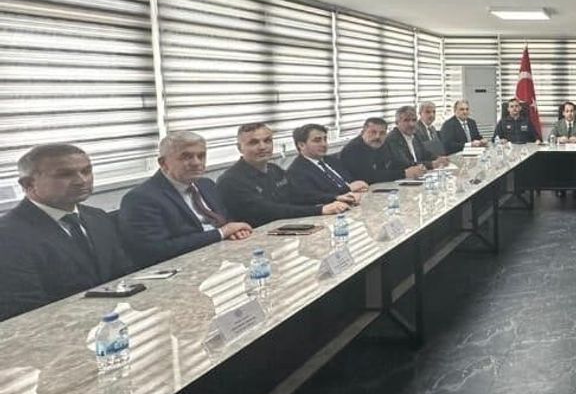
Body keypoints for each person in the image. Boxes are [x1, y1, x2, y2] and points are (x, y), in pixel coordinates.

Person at [0, 144, 135, 321]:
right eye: (65, 174)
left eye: (86, 171)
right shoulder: (8, 235)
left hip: (114, 320)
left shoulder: (97, 217)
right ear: (28, 184)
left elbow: (124, 274)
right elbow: (23, 309)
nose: (81, 180)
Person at [120, 131, 252, 268]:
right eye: (186, 157)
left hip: (222, 258)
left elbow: (225, 220)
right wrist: (221, 233)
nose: (196, 163)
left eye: (201, 156)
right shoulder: (140, 199)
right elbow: (155, 250)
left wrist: (235, 231)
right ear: (163, 163)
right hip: (182, 268)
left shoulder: (206, 185)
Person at [220, 123, 351, 227]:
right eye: (254, 142)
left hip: (286, 228)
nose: (263, 147)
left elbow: (299, 195)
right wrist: (320, 210)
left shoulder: (274, 170)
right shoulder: (231, 180)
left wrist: (335, 198)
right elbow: (270, 210)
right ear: (239, 148)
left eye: (267, 141)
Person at [286, 124, 370, 206]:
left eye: (325, 139)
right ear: (301, 145)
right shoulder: (296, 171)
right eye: (317, 140)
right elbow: (314, 198)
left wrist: (358, 187)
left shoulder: (332, 160)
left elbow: (350, 180)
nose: (324, 144)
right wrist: (348, 189)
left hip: (357, 199)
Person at [341, 117, 421, 184]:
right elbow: (369, 177)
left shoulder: (383, 144)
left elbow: (395, 162)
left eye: (382, 133)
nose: (377, 136)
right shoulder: (353, 149)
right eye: (373, 132)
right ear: (362, 132)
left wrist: (415, 167)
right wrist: (403, 173)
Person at [386, 106, 439, 170]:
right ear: (397, 123)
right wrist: (431, 164)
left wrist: (438, 159)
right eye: (406, 120)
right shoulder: (392, 139)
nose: (411, 124)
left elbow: (425, 154)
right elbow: (405, 164)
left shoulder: (415, 135)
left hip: (420, 173)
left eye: (414, 120)